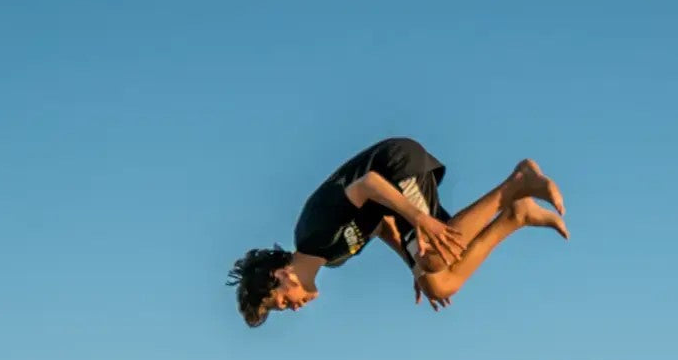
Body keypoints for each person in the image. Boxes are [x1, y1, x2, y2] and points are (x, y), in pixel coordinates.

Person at [228, 136, 568, 327]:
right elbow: (381, 225)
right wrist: (414, 268)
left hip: (394, 166)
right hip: (392, 201)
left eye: (283, 302)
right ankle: (516, 216)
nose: (294, 307)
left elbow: (368, 184)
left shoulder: (313, 231)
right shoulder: (331, 257)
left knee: (435, 259)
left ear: (281, 275)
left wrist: (420, 221)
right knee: (437, 283)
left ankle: (517, 183)